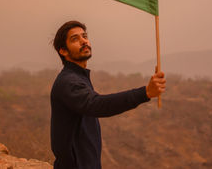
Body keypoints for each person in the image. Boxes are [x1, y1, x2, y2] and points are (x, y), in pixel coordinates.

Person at [50, 20, 166, 169]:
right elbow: (98, 105)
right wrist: (145, 93)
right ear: (63, 51)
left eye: (84, 36)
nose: (83, 41)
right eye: (75, 39)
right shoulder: (69, 82)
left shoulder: (79, 77)